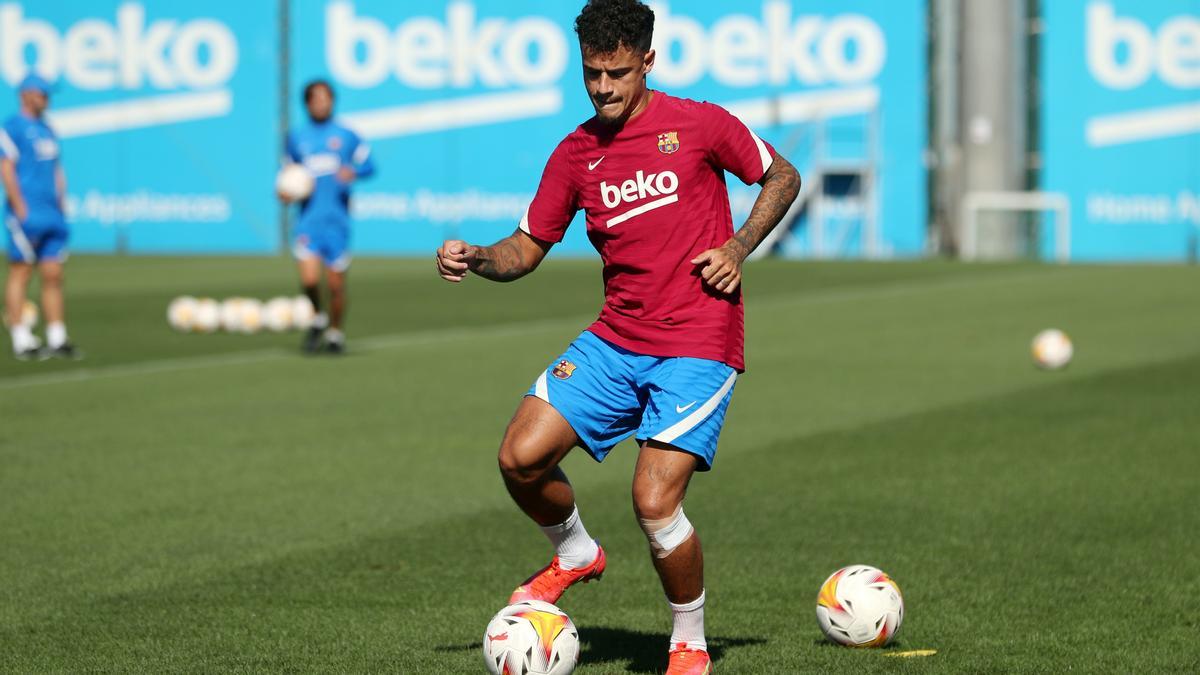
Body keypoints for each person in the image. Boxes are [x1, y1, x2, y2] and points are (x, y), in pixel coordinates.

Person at [435, 1, 801, 672]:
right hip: (616, 338)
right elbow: (526, 247)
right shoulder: (576, 153)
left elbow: (783, 174)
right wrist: (477, 256)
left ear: (647, 62)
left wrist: (739, 245)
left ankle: (688, 639)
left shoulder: (700, 123)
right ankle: (574, 550)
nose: (603, 87)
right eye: (591, 74)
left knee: (654, 502)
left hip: (698, 337)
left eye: (618, 73)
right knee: (519, 457)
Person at [282, 79, 375, 354]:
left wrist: (355, 172)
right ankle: (318, 317)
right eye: (316, 98)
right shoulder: (297, 137)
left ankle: (335, 332)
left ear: (332, 101)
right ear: (307, 103)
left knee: (335, 286)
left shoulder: (347, 135)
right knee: (310, 281)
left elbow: (370, 165)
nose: (321, 103)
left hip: (337, 222)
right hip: (308, 220)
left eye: (326, 98)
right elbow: (288, 176)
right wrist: (286, 192)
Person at [2, 73, 78, 361]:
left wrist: (61, 201)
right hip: (27, 211)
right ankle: (21, 338)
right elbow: (6, 167)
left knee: (53, 273)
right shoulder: (13, 127)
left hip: (51, 213)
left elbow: (57, 169)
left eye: (48, 94)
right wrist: (19, 206)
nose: (46, 99)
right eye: (41, 93)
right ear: (25, 94)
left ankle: (58, 337)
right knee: (21, 271)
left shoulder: (48, 129)